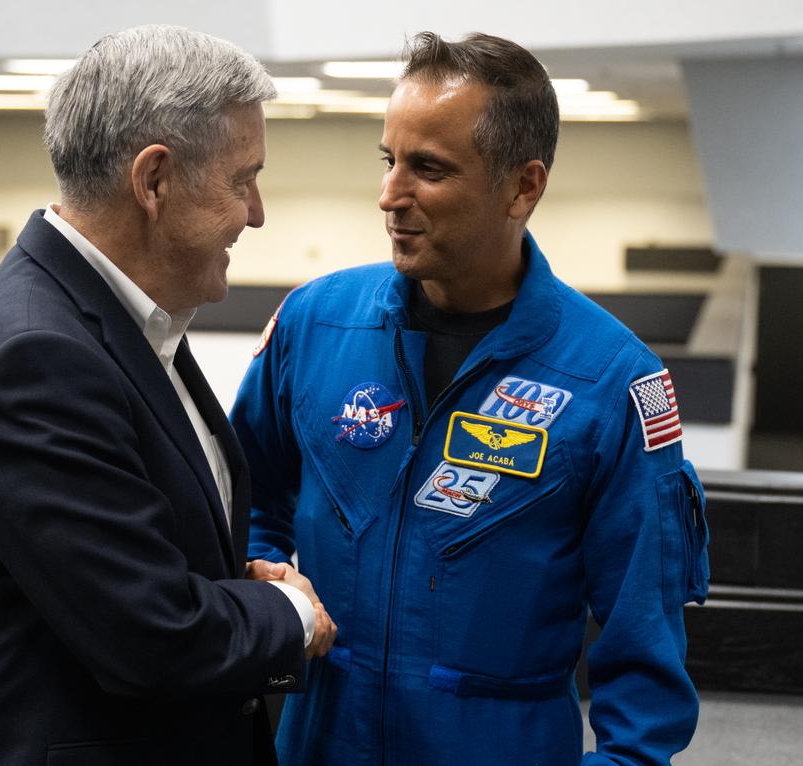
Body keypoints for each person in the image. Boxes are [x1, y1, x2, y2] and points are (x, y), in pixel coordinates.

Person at [231, 31, 709, 765]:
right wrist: (266, 596)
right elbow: (244, 499)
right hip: (321, 742)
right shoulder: (315, 324)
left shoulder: (611, 381)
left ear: (524, 186)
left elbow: (641, 652)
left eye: (428, 168)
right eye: (389, 161)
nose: (391, 195)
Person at [0, 24, 335, 766]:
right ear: (154, 180)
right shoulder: (36, 355)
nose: (257, 212)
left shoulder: (124, 323)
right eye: (243, 179)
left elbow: (116, 569)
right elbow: (148, 636)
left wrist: (228, 584)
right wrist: (287, 614)